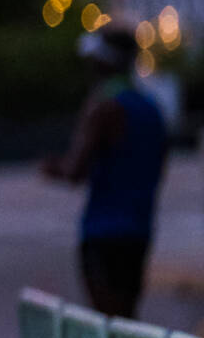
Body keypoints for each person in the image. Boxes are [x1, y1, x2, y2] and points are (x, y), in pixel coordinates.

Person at [42, 24, 167, 319]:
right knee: (127, 319)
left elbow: (75, 170)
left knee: (107, 325)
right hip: (139, 229)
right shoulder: (152, 109)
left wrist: (51, 167)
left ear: (104, 61)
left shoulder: (103, 107)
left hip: (103, 232)